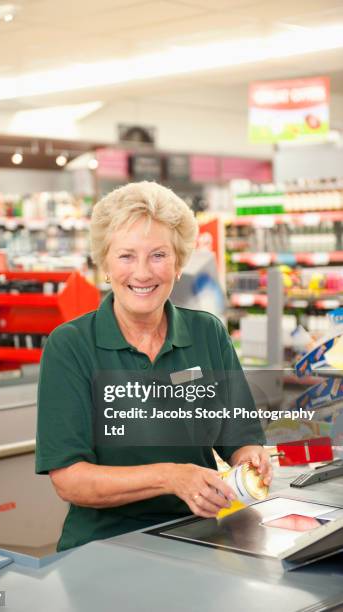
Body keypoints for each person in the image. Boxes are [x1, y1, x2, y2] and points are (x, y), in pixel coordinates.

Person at [36, 181, 272, 551]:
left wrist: (250, 458)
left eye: (159, 255)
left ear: (178, 263)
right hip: (103, 549)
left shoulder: (207, 334)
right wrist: (170, 477)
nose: (143, 273)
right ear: (106, 265)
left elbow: (239, 436)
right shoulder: (71, 346)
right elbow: (69, 480)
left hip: (200, 537)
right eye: (127, 256)